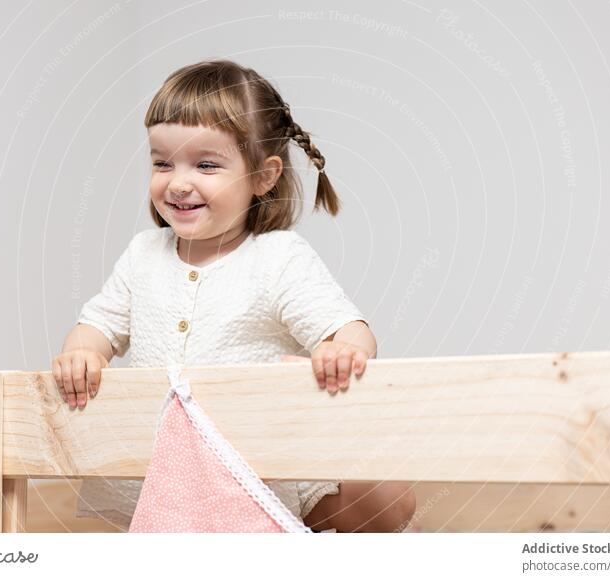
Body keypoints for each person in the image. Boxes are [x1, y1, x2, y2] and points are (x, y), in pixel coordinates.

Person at [51, 59, 415, 533]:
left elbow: (349, 329)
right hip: (163, 470)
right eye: (162, 162)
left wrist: (340, 351)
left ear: (263, 177)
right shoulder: (144, 255)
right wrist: (82, 354)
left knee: (386, 494)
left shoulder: (277, 257)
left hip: (255, 462)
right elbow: (98, 326)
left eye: (205, 164)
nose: (178, 181)